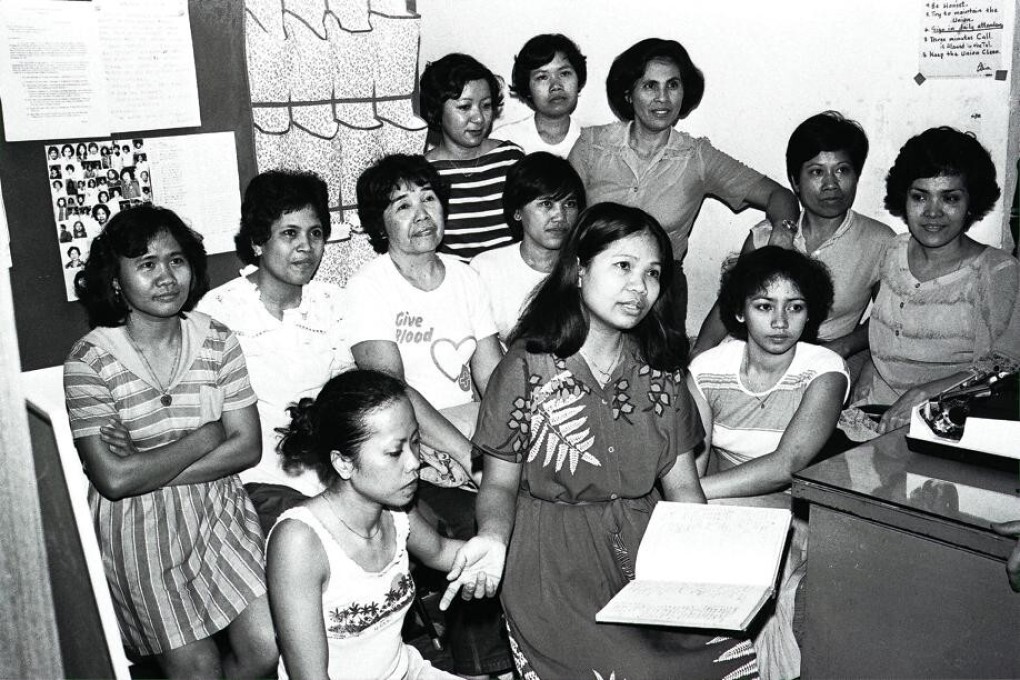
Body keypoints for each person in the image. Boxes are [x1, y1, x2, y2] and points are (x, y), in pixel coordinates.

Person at [461, 202, 756, 679]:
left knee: (726, 656)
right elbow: (497, 483)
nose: (639, 287)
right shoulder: (525, 367)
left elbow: (683, 486)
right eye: (623, 266)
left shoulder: (661, 370)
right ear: (579, 269)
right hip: (552, 560)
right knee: (631, 670)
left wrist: (705, 562)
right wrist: (493, 537)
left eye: (653, 273)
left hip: (645, 546)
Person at [63, 205, 277, 677]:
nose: (166, 277)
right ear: (115, 280)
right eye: (146, 264)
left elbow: (247, 447)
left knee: (265, 647)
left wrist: (146, 465)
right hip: (140, 533)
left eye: (176, 260)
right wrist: (206, 435)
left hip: (220, 514)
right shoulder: (88, 361)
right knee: (198, 671)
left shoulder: (217, 339)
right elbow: (115, 481)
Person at [346, 154, 511, 678]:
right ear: (379, 224)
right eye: (402, 205)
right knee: (470, 524)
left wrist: (505, 446)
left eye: (429, 198)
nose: (421, 214)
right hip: (407, 443)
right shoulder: (369, 286)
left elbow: (493, 373)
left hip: (475, 433)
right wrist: (464, 454)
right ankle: (482, 666)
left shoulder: (465, 276)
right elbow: (390, 388)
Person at [267, 369, 497, 680]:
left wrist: (502, 549)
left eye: (415, 442)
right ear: (344, 463)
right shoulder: (299, 541)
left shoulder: (395, 510)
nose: (414, 462)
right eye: (394, 452)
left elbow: (442, 551)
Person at [687, 246, 848, 679]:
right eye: (764, 306)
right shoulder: (708, 368)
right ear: (740, 312)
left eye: (795, 307)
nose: (780, 322)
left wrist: (693, 497)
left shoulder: (825, 369)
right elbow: (694, 458)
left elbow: (786, 464)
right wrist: (690, 501)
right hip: (725, 500)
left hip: (799, 507)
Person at [568, 38, 799, 330]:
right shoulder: (592, 146)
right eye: (650, 86)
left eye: (673, 85)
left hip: (660, 294)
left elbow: (780, 196)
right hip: (593, 286)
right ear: (628, 93)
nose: (663, 98)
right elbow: (563, 215)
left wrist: (782, 235)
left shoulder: (697, 156)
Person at [198, 170, 354, 534]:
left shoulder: (334, 303)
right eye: (289, 233)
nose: (306, 247)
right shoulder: (219, 312)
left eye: (315, 233)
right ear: (258, 242)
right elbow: (207, 420)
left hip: (339, 476)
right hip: (258, 484)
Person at [693, 111, 896, 379]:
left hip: (825, 357)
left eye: (842, 170)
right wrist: (699, 354)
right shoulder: (766, 236)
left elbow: (888, 317)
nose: (831, 184)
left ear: (856, 176)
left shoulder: (880, 240)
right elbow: (729, 305)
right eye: (816, 172)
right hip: (759, 351)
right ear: (795, 182)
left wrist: (841, 347)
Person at [850, 127, 1020, 434]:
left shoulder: (997, 270)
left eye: (950, 198)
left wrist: (926, 393)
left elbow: (1006, 368)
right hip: (873, 413)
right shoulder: (893, 250)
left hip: (949, 421)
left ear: (971, 202)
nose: (932, 212)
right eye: (920, 196)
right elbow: (889, 330)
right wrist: (869, 367)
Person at [470, 151, 586, 343]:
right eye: (547, 204)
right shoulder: (486, 269)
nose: (560, 216)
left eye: (570, 204)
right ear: (517, 212)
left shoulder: (587, 269)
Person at [420, 53, 525, 261]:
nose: (478, 118)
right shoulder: (423, 173)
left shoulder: (510, 158)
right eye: (464, 107)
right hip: (455, 277)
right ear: (437, 111)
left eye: (486, 106)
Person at [494, 34, 586, 156]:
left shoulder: (592, 141)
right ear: (527, 87)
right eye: (542, 77)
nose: (556, 86)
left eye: (564, 73)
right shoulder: (504, 141)